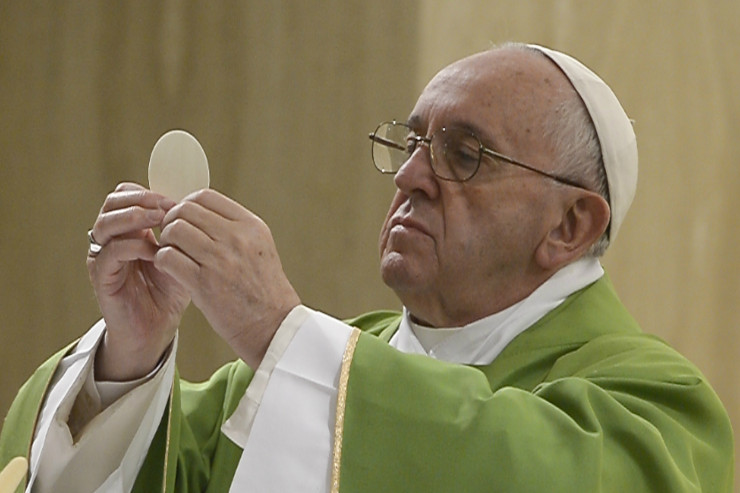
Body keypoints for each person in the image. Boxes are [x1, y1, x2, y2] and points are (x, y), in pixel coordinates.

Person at [0, 42, 733, 492]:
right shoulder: (305, 373)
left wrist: (277, 329)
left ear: (570, 224)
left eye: (464, 153)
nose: (411, 176)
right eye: (411, 143)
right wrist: (130, 355)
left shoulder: (654, 410)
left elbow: (521, 470)